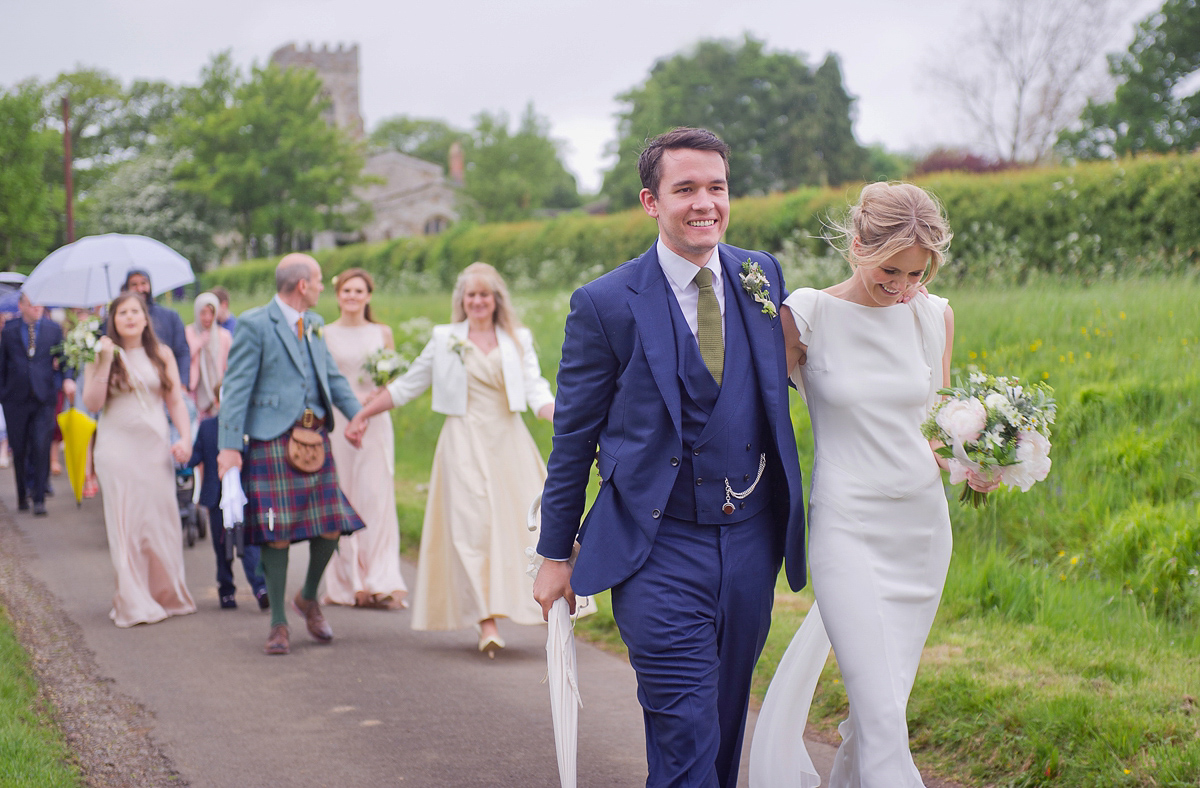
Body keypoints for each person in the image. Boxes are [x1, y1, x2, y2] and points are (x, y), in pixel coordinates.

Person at [531, 127, 806, 788]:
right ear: (652, 202)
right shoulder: (604, 305)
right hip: (656, 545)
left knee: (721, 730)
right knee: (684, 733)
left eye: (717, 187)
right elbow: (573, 439)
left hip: (750, 541)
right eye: (686, 189)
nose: (705, 202)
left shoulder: (759, 275)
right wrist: (554, 553)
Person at [751, 182, 996, 787]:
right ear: (857, 244)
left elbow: (936, 431)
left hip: (919, 533)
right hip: (846, 527)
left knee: (877, 711)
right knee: (885, 716)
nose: (903, 287)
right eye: (891, 270)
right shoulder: (805, 313)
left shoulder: (934, 315)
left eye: (918, 273)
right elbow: (752, 415)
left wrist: (976, 465)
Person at [346, 262, 555, 656]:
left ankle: (542, 604)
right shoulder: (445, 339)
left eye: (484, 294)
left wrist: (560, 414)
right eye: (471, 295)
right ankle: (486, 621)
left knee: (526, 526)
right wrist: (362, 414)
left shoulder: (517, 338)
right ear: (462, 300)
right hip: (461, 441)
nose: (477, 301)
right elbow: (408, 385)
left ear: (496, 300)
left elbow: (535, 389)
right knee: (470, 528)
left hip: (507, 441)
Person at [216, 253, 365, 656]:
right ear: (302, 285)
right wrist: (229, 447)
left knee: (333, 524)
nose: (321, 288)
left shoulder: (314, 324)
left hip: (316, 436)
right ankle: (278, 622)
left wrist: (357, 415)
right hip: (271, 440)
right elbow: (236, 389)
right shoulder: (254, 324)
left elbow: (330, 376)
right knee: (275, 532)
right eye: (318, 281)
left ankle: (308, 596)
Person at [82, 293, 196, 627]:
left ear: (146, 319)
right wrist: (103, 361)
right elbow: (92, 403)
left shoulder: (162, 354)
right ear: (113, 321)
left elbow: (175, 401)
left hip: (155, 448)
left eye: (135, 312)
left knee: (160, 520)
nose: (129, 318)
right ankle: (132, 599)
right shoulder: (101, 354)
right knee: (126, 521)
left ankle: (165, 593)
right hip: (116, 448)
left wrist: (185, 438)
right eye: (122, 313)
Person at [318, 268, 409, 610]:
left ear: (368, 296)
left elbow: (392, 380)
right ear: (338, 295)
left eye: (359, 291)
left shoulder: (381, 332)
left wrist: (377, 398)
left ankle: (379, 580)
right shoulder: (324, 334)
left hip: (375, 420)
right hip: (339, 422)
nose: (352, 296)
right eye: (346, 290)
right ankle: (346, 583)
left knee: (376, 496)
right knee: (343, 495)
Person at [187, 389, 268, 611]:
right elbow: (196, 456)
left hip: (243, 498)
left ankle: (261, 588)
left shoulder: (249, 427)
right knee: (222, 548)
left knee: (250, 545)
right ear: (216, 401)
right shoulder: (207, 427)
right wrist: (184, 456)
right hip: (217, 498)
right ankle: (226, 590)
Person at [0, 292, 76, 516]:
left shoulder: (53, 329)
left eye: (39, 304)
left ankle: (40, 496)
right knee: (20, 447)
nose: (36, 308)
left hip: (44, 398)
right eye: (31, 304)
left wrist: (66, 379)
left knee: (41, 445)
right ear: (21, 306)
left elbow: (64, 359)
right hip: (15, 399)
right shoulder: (10, 330)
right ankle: (23, 493)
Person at [123, 269, 190, 389]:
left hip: (167, 384)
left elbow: (182, 351)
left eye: (143, 283)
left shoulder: (170, 317)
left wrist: (182, 384)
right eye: (134, 284)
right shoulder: (121, 321)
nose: (140, 289)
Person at [185, 292, 232, 419]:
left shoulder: (224, 336)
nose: (207, 317)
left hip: (217, 389)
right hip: (196, 390)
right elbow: (184, 357)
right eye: (203, 313)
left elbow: (230, 364)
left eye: (211, 313)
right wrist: (199, 342)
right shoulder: (189, 332)